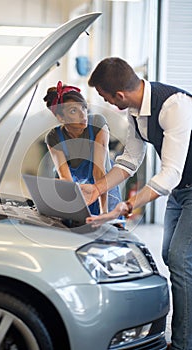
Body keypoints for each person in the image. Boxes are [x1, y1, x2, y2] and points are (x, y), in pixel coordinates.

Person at [81, 57, 192, 350]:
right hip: (181, 190)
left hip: (183, 184)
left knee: (181, 260)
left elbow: (169, 173)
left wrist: (127, 206)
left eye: (104, 97)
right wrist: (98, 188)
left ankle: (183, 344)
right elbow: (130, 159)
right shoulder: (134, 110)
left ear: (118, 95)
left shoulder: (175, 106)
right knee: (171, 255)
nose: (105, 102)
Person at [43, 80, 122, 216]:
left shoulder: (98, 123)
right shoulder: (54, 137)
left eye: (84, 108)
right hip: (79, 192)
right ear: (60, 117)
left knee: (111, 232)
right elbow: (66, 179)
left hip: (105, 189)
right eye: (74, 110)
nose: (83, 115)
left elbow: (99, 172)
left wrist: (104, 213)